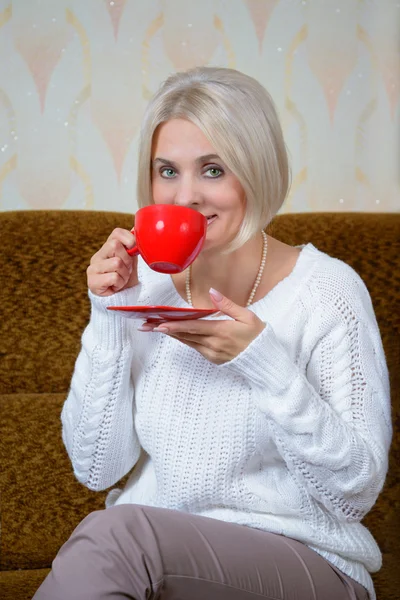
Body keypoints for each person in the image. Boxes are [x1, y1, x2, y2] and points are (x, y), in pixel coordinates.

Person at [33, 67, 391, 600]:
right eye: (168, 171)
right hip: (157, 566)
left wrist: (265, 363)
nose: (187, 196)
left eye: (214, 169)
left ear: (257, 171)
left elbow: (352, 496)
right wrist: (109, 312)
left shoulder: (327, 292)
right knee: (120, 537)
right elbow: (95, 468)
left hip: (305, 564)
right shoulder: (142, 287)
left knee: (118, 536)